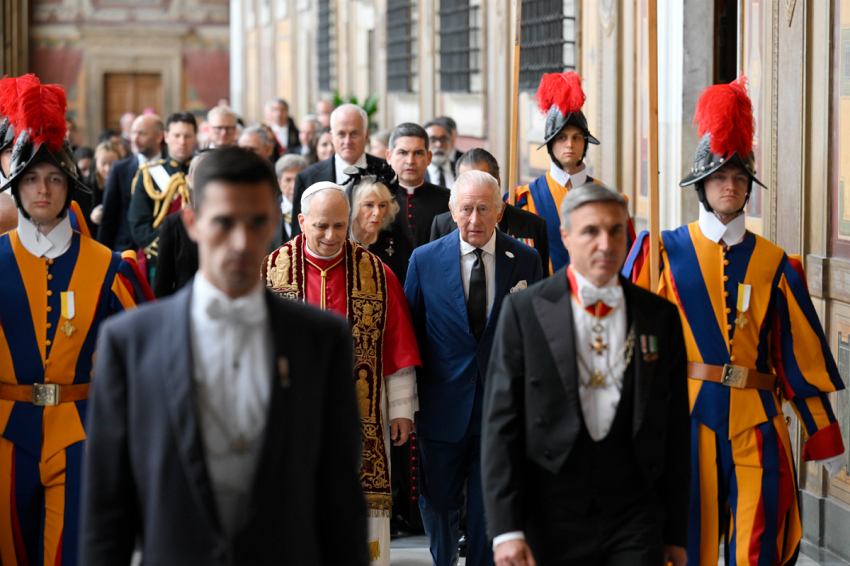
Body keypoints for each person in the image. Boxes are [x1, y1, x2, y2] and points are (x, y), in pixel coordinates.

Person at [81, 147, 367, 565]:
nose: (240, 241)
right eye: (223, 222)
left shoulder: (321, 339)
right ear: (192, 223)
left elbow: (340, 499)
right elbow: (107, 509)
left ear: (274, 222)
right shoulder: (130, 343)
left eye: (255, 223)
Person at [625, 76, 846, 566]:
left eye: (739, 178)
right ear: (701, 185)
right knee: (688, 542)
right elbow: (635, 347)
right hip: (686, 419)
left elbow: (798, 358)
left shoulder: (777, 265)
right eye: (720, 177)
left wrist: (822, 432)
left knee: (759, 543)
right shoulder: (660, 254)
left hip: (760, 422)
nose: (730, 185)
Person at [484, 183, 690, 566]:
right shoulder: (525, 311)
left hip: (635, 511)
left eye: (616, 231)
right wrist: (506, 530)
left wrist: (676, 532)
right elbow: (501, 426)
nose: (606, 244)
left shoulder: (659, 316)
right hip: (550, 509)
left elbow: (675, 430)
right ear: (565, 236)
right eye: (590, 231)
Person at [0, 75, 151, 566]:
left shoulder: (110, 268)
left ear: (71, 186)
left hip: (83, 433)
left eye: (54, 178)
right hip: (3, 434)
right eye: (31, 179)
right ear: (16, 188)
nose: (42, 189)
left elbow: (141, 365)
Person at [263, 182, 420, 565]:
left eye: (339, 225)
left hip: (357, 417)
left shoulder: (375, 272)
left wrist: (400, 409)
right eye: (321, 226)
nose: (332, 236)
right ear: (301, 221)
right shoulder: (269, 271)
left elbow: (395, 343)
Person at [404, 170, 544, 566]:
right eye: (465, 209)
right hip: (441, 405)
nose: (474, 219)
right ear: (451, 210)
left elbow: (538, 335)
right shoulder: (425, 260)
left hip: (501, 411)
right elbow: (411, 334)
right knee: (439, 501)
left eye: (484, 208)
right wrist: (408, 405)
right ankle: (443, 558)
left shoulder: (526, 260)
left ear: (500, 211)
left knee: (488, 509)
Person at [515, 72, 635, 274]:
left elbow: (627, 263)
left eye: (577, 138)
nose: (569, 144)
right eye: (561, 137)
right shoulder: (523, 200)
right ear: (550, 144)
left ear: (585, 143)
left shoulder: (609, 200)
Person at [430, 148, 550, 275]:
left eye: (481, 181)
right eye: (466, 182)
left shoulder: (532, 224)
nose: (473, 189)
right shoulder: (442, 225)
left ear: (497, 183)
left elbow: (539, 284)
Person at [290, 104, 385, 237]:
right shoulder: (307, 177)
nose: (347, 141)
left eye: (354, 133)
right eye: (341, 134)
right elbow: (298, 235)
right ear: (332, 136)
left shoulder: (388, 172)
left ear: (366, 135)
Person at [128, 112, 196, 279]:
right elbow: (139, 224)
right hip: (161, 262)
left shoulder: (205, 172)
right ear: (166, 137)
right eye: (177, 135)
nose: (182, 141)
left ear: (195, 137)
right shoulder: (149, 174)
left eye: (187, 136)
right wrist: (169, 252)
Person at [99, 113, 165, 251]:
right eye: (133, 132)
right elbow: (108, 218)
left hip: (161, 250)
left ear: (159, 136)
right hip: (125, 252)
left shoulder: (170, 168)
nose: (135, 138)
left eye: (142, 134)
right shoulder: (120, 169)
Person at [151, 152, 208, 297]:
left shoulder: (234, 222)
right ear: (190, 180)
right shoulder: (173, 224)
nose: (206, 179)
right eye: (201, 173)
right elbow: (161, 283)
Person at [345, 166, 413, 285]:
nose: (377, 212)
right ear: (354, 208)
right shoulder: (340, 242)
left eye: (382, 205)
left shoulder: (396, 241)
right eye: (369, 205)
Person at [386, 123, 450, 248]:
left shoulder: (447, 199)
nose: (410, 161)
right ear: (389, 157)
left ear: (429, 157)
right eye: (402, 152)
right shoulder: (375, 198)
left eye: (418, 153)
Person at [274, 154, 308, 245]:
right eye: (288, 180)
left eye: (297, 180)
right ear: (279, 183)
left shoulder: (313, 207)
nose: (293, 186)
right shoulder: (269, 208)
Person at [424, 118, 457, 188]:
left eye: (443, 139)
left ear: (450, 142)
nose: (439, 144)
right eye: (432, 140)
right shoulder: (417, 174)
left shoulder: (460, 171)